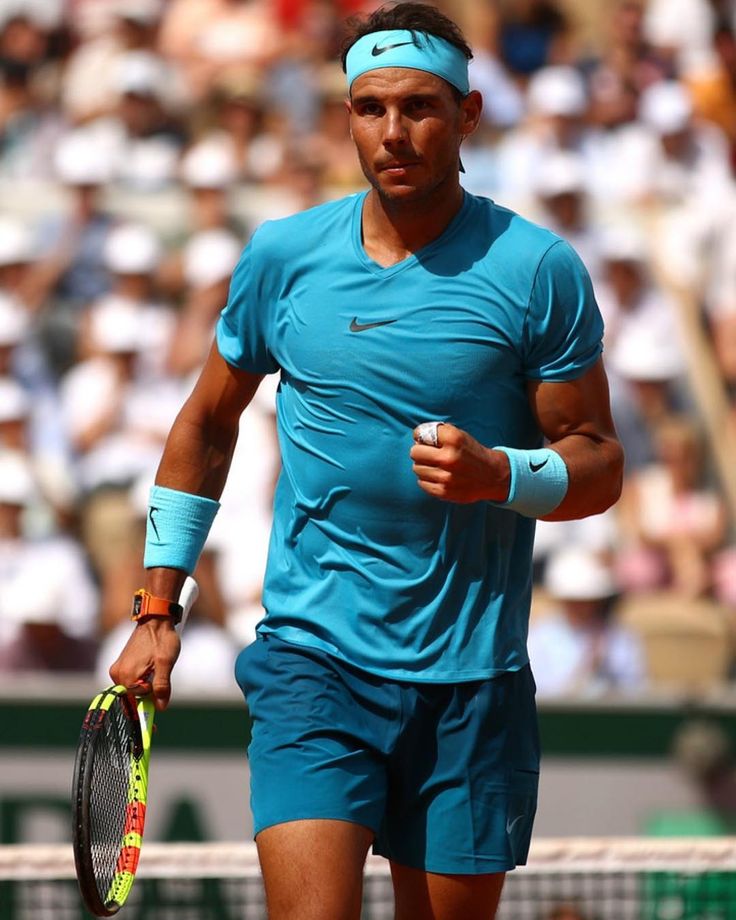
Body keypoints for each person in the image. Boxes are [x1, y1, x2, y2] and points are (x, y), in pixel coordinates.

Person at [109, 4, 624, 919]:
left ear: (467, 116)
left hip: (474, 678)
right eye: (371, 107)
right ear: (345, 116)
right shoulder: (281, 256)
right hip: (314, 664)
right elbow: (206, 427)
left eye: (421, 106)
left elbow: (598, 464)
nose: (395, 132)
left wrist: (501, 475)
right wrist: (157, 608)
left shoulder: (539, 268)